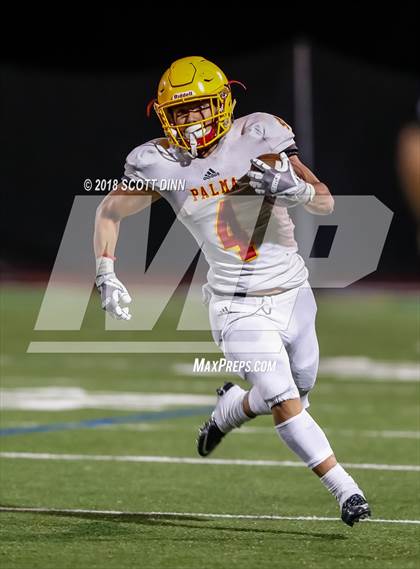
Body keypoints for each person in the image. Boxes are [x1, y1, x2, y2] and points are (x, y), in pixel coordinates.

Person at [93, 56, 371, 526]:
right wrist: (105, 270)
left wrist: (299, 192)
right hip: (235, 305)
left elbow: (325, 202)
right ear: (164, 116)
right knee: (282, 397)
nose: (190, 120)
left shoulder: (258, 134)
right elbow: (109, 211)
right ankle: (347, 490)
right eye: (179, 112)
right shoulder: (159, 163)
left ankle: (230, 409)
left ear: (222, 103)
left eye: (198, 107)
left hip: (294, 292)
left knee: (299, 389)